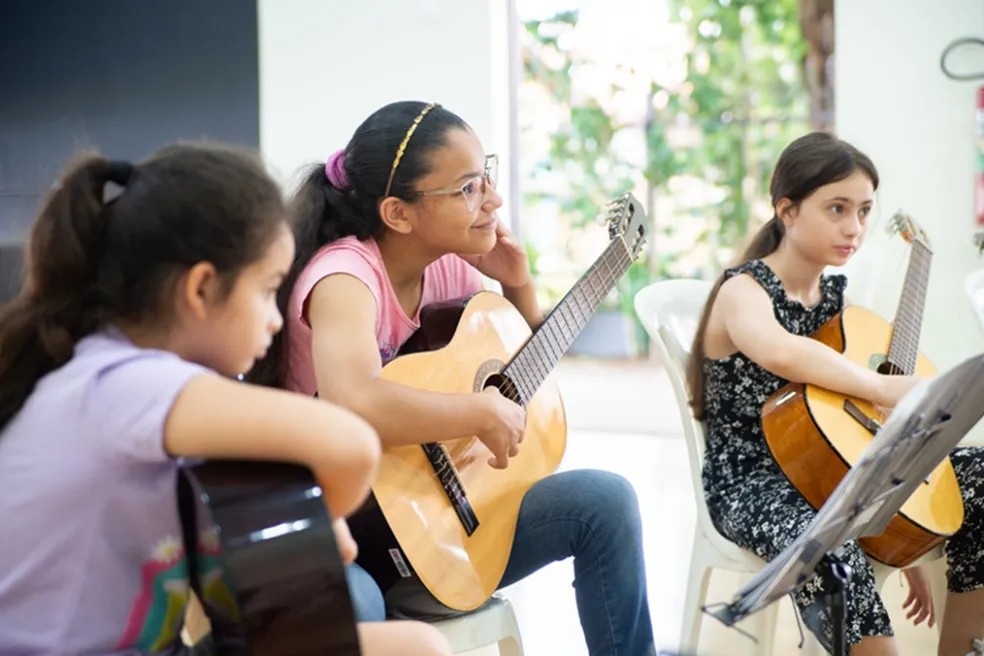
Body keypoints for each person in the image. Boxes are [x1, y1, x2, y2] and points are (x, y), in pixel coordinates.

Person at [0, 144, 451, 656]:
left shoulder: (123, 384)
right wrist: (326, 520)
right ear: (201, 289)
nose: (276, 319)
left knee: (413, 645)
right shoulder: (125, 384)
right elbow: (351, 444)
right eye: (267, 291)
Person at [248, 100, 656, 656]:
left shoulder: (444, 266)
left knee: (604, 502)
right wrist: (475, 412)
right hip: (341, 528)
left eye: (484, 176)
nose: (493, 199)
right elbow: (354, 401)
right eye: (467, 189)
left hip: (438, 525)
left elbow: (520, 377)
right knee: (360, 607)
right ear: (398, 213)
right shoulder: (344, 276)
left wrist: (521, 287)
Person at [687, 131, 984, 656]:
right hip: (752, 480)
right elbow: (782, 353)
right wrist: (886, 386)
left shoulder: (833, 298)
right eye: (837, 209)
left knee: (981, 474)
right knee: (827, 543)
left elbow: (845, 422)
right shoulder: (744, 291)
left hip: (834, 470)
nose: (855, 228)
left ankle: (962, 646)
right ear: (788, 210)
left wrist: (907, 529)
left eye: (865, 211)